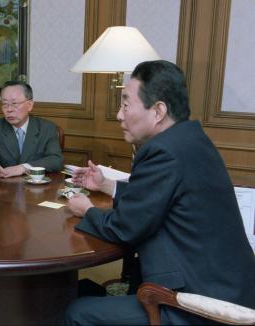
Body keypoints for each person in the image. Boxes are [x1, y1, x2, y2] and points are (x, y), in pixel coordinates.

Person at [63, 60, 255, 324]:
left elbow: (124, 228)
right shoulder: (189, 139)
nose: (119, 114)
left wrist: (88, 210)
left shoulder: (162, 152)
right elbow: (162, 196)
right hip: (231, 287)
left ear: (158, 111)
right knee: (92, 290)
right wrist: (108, 185)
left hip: (201, 302)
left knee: (77, 312)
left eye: (126, 104)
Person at [0, 80, 63, 179]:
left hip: (36, 188)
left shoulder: (47, 128)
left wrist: (23, 168)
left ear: (30, 105)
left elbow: (56, 160)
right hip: (4, 187)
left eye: (14, 104)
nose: (9, 109)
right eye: (5, 104)